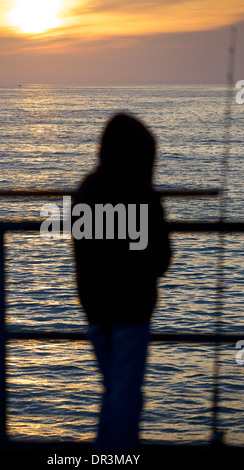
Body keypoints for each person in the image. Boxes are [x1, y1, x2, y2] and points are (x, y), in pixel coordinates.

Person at [72, 112, 172, 450]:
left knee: (116, 390)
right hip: (131, 312)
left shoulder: (86, 191)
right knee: (126, 395)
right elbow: (161, 259)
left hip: (95, 311)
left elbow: (83, 251)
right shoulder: (142, 196)